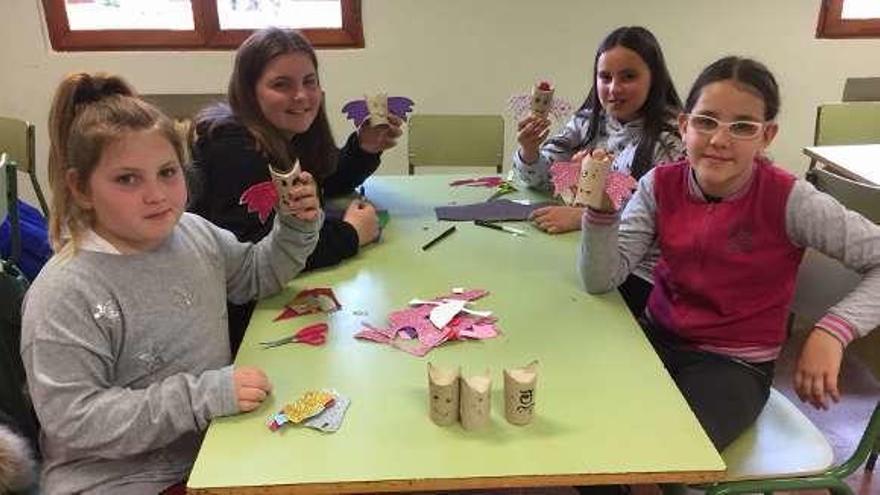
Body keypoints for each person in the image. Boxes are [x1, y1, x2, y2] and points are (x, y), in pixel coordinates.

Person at [21, 72, 322, 494]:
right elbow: (74, 420)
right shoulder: (65, 292)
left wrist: (295, 227)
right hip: (116, 480)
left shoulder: (194, 233)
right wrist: (203, 397)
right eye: (127, 179)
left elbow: (256, 274)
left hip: (213, 452)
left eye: (167, 172)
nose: (156, 195)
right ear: (81, 188)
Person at [579, 56, 880, 450]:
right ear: (685, 127)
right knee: (585, 422)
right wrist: (601, 210)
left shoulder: (790, 199)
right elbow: (601, 279)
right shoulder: (660, 185)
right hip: (655, 338)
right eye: (706, 122)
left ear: (766, 136)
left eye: (742, 127)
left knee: (666, 450)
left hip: (734, 365)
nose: (720, 140)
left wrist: (832, 332)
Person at [189, 27, 401, 352]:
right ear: (249, 91)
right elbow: (259, 253)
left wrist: (364, 148)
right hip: (238, 324)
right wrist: (351, 234)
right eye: (281, 84)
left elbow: (324, 183)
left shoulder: (285, 130)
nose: (301, 96)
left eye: (309, 81)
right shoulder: (235, 150)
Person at [512, 26, 684, 317]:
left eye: (628, 76)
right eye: (605, 77)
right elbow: (541, 180)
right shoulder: (588, 121)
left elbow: (657, 216)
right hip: (589, 251)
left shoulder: (670, 140)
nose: (614, 89)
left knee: (561, 311)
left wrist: (582, 215)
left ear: (654, 78)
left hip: (641, 272)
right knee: (528, 288)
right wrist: (529, 152)